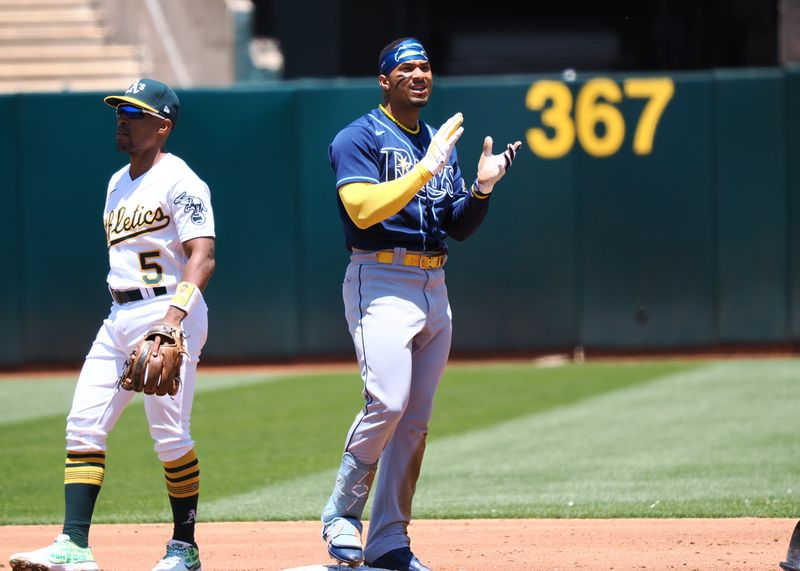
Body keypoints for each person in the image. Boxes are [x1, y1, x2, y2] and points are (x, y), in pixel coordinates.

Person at [320, 38, 521, 571]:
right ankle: (342, 513)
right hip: (380, 277)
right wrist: (425, 171)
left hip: (434, 285)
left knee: (415, 419)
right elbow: (361, 209)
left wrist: (480, 189)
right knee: (386, 401)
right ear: (384, 81)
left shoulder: (437, 140)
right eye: (405, 68)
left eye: (425, 66)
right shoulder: (357, 137)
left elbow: (455, 226)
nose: (418, 75)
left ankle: (389, 542)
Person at [8, 79, 215, 571]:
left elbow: (202, 256)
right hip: (119, 314)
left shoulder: (181, 180)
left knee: (169, 435)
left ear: (162, 126)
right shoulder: (116, 182)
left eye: (136, 113)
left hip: (168, 310)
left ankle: (184, 548)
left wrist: (172, 322)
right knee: (83, 422)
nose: (124, 119)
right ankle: (74, 546)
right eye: (121, 111)